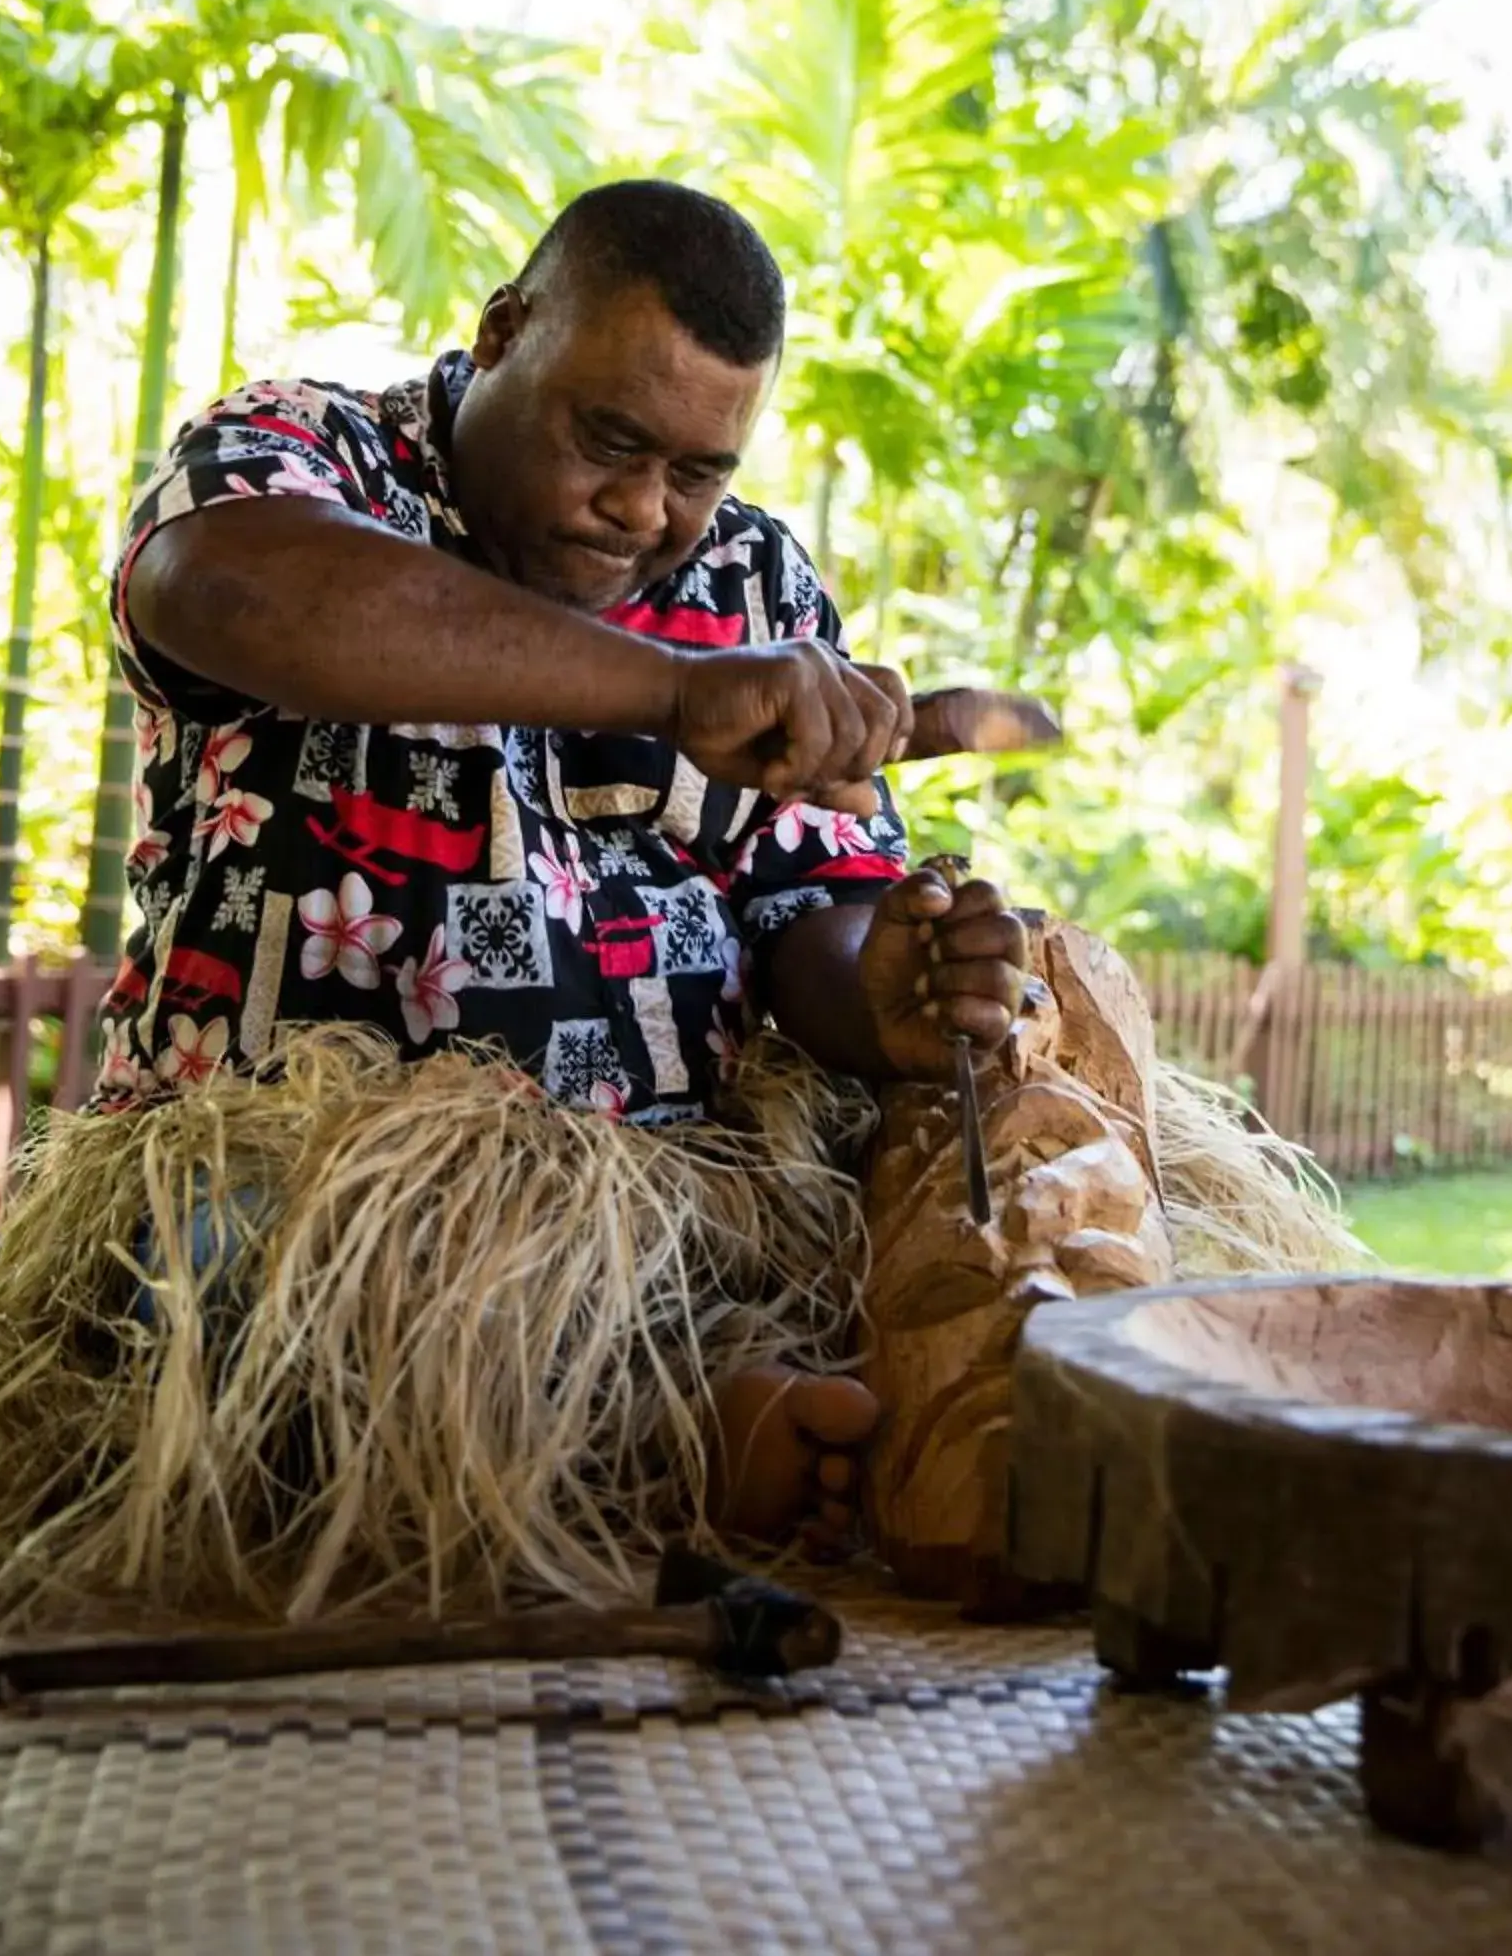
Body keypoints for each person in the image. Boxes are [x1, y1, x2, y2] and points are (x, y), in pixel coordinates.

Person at [101, 175, 1029, 1543]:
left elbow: (814, 909)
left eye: (700, 472)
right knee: (212, 1300)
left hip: (659, 1224)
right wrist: (670, 692)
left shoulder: (758, 587)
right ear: (499, 331)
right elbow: (221, 587)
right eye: (610, 440)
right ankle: (652, 1439)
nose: (645, 512)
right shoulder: (306, 452)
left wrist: (877, 978)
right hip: (300, 1212)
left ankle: (674, 1401)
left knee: (974, 1239)